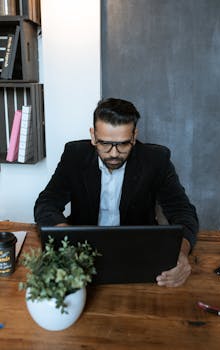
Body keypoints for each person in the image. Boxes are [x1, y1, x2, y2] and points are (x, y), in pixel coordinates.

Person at [34, 97, 199, 287]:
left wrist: (181, 253)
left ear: (134, 136)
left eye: (123, 144)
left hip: (139, 255)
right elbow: (46, 203)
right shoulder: (74, 155)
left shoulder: (156, 160)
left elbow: (183, 212)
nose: (113, 153)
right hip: (80, 253)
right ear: (93, 136)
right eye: (104, 143)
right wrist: (64, 235)